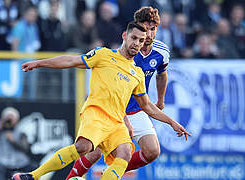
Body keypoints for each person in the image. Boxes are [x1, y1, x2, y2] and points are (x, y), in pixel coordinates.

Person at [12, 21, 191, 180]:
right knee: (83, 148)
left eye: (141, 41)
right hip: (96, 114)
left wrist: (172, 123)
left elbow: (147, 106)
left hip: (116, 122)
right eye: (134, 38)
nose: (136, 44)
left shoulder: (137, 74)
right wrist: (39, 63)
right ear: (125, 36)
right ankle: (33, 176)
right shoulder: (103, 55)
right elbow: (71, 60)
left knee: (124, 155)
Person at [66, 6, 174, 179]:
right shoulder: (126, 52)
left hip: (138, 107)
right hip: (114, 108)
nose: (149, 34)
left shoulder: (162, 52)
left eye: (153, 29)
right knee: (94, 152)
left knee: (153, 151)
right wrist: (124, 119)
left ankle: (112, 173)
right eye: (145, 29)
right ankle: (70, 178)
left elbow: (162, 74)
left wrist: (160, 100)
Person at [0, 107, 36, 180]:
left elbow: (25, 148)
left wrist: (13, 140)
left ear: (16, 120)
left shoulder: (21, 132)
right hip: (1, 163)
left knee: (34, 168)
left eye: (12, 118)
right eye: (7, 117)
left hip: (19, 163)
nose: (9, 120)